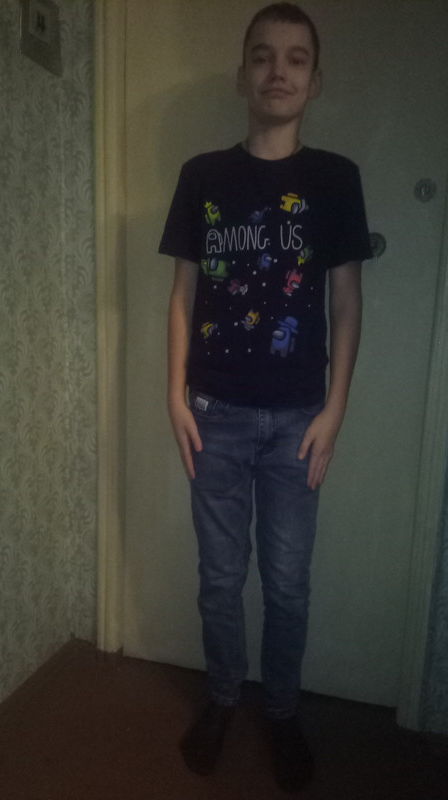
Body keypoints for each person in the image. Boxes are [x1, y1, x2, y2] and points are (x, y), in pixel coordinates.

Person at [159, 2, 371, 792]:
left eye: (295, 58)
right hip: (212, 415)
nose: (278, 71)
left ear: (315, 81)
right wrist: (174, 396)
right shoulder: (202, 177)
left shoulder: (335, 180)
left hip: (296, 422)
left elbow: (346, 302)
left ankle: (280, 710)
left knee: (286, 583)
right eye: (262, 56)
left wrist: (336, 410)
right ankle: (221, 698)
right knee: (219, 578)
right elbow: (182, 293)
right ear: (241, 74)